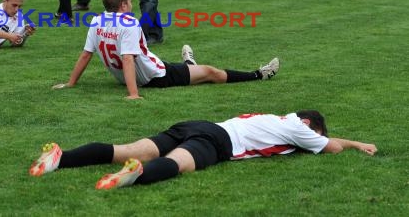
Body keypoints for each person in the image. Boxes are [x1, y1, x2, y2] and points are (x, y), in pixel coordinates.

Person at [29, 110, 377, 189]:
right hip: (218, 141)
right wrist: (358, 143)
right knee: (179, 165)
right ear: (309, 125)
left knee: (127, 148)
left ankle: (63, 156)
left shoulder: (274, 116)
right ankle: (139, 174)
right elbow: (331, 147)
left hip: (196, 125)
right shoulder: (298, 128)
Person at [52, 0, 279, 99]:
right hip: (155, 76)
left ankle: (189, 65)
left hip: (146, 70)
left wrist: (71, 83)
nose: (132, 5)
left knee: (182, 68)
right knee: (211, 73)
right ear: (122, 5)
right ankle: (258, 74)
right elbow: (128, 59)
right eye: (130, 1)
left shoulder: (96, 21)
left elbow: (86, 54)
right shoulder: (129, 23)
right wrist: (133, 94)